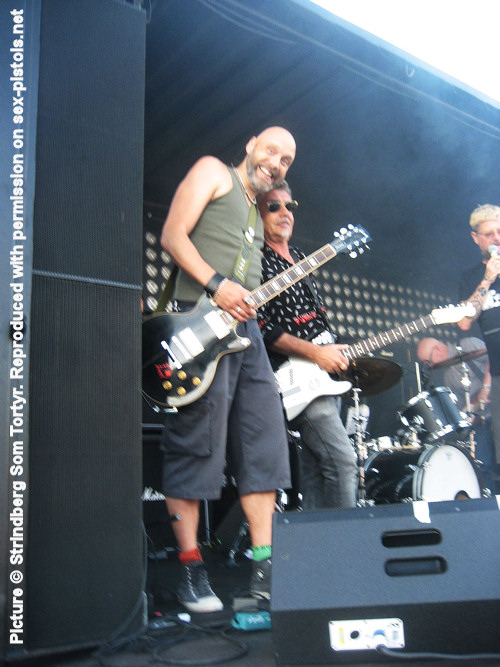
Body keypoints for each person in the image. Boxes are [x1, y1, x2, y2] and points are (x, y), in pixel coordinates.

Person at [159, 127, 295, 612]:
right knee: (197, 445)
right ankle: (192, 570)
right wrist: (218, 284)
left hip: (248, 333)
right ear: (252, 142)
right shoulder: (212, 171)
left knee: (265, 444)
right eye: (272, 149)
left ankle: (265, 569)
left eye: (287, 159)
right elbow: (172, 235)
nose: (277, 161)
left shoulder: (259, 216)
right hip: (198, 323)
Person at [257, 182, 358, 510]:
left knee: (317, 468)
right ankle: (349, 544)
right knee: (343, 463)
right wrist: (315, 352)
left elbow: (312, 319)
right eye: (274, 206)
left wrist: (329, 347)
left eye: (290, 206)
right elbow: (261, 326)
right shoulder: (256, 259)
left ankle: (315, 548)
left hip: (322, 373)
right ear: (257, 213)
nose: (285, 213)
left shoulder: (302, 258)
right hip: (293, 377)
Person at [416, 336, 496, 494]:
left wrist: (485, 388)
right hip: (483, 420)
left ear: (437, 350)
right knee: (482, 464)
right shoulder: (448, 377)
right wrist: (467, 411)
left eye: (429, 362)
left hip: (497, 406)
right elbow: (463, 405)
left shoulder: (468, 343)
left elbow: (494, 357)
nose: (431, 366)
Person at [457, 204, 500, 470]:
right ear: (476, 238)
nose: (496, 237)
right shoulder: (472, 277)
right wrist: (487, 279)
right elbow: (464, 321)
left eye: (499, 232)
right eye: (489, 233)